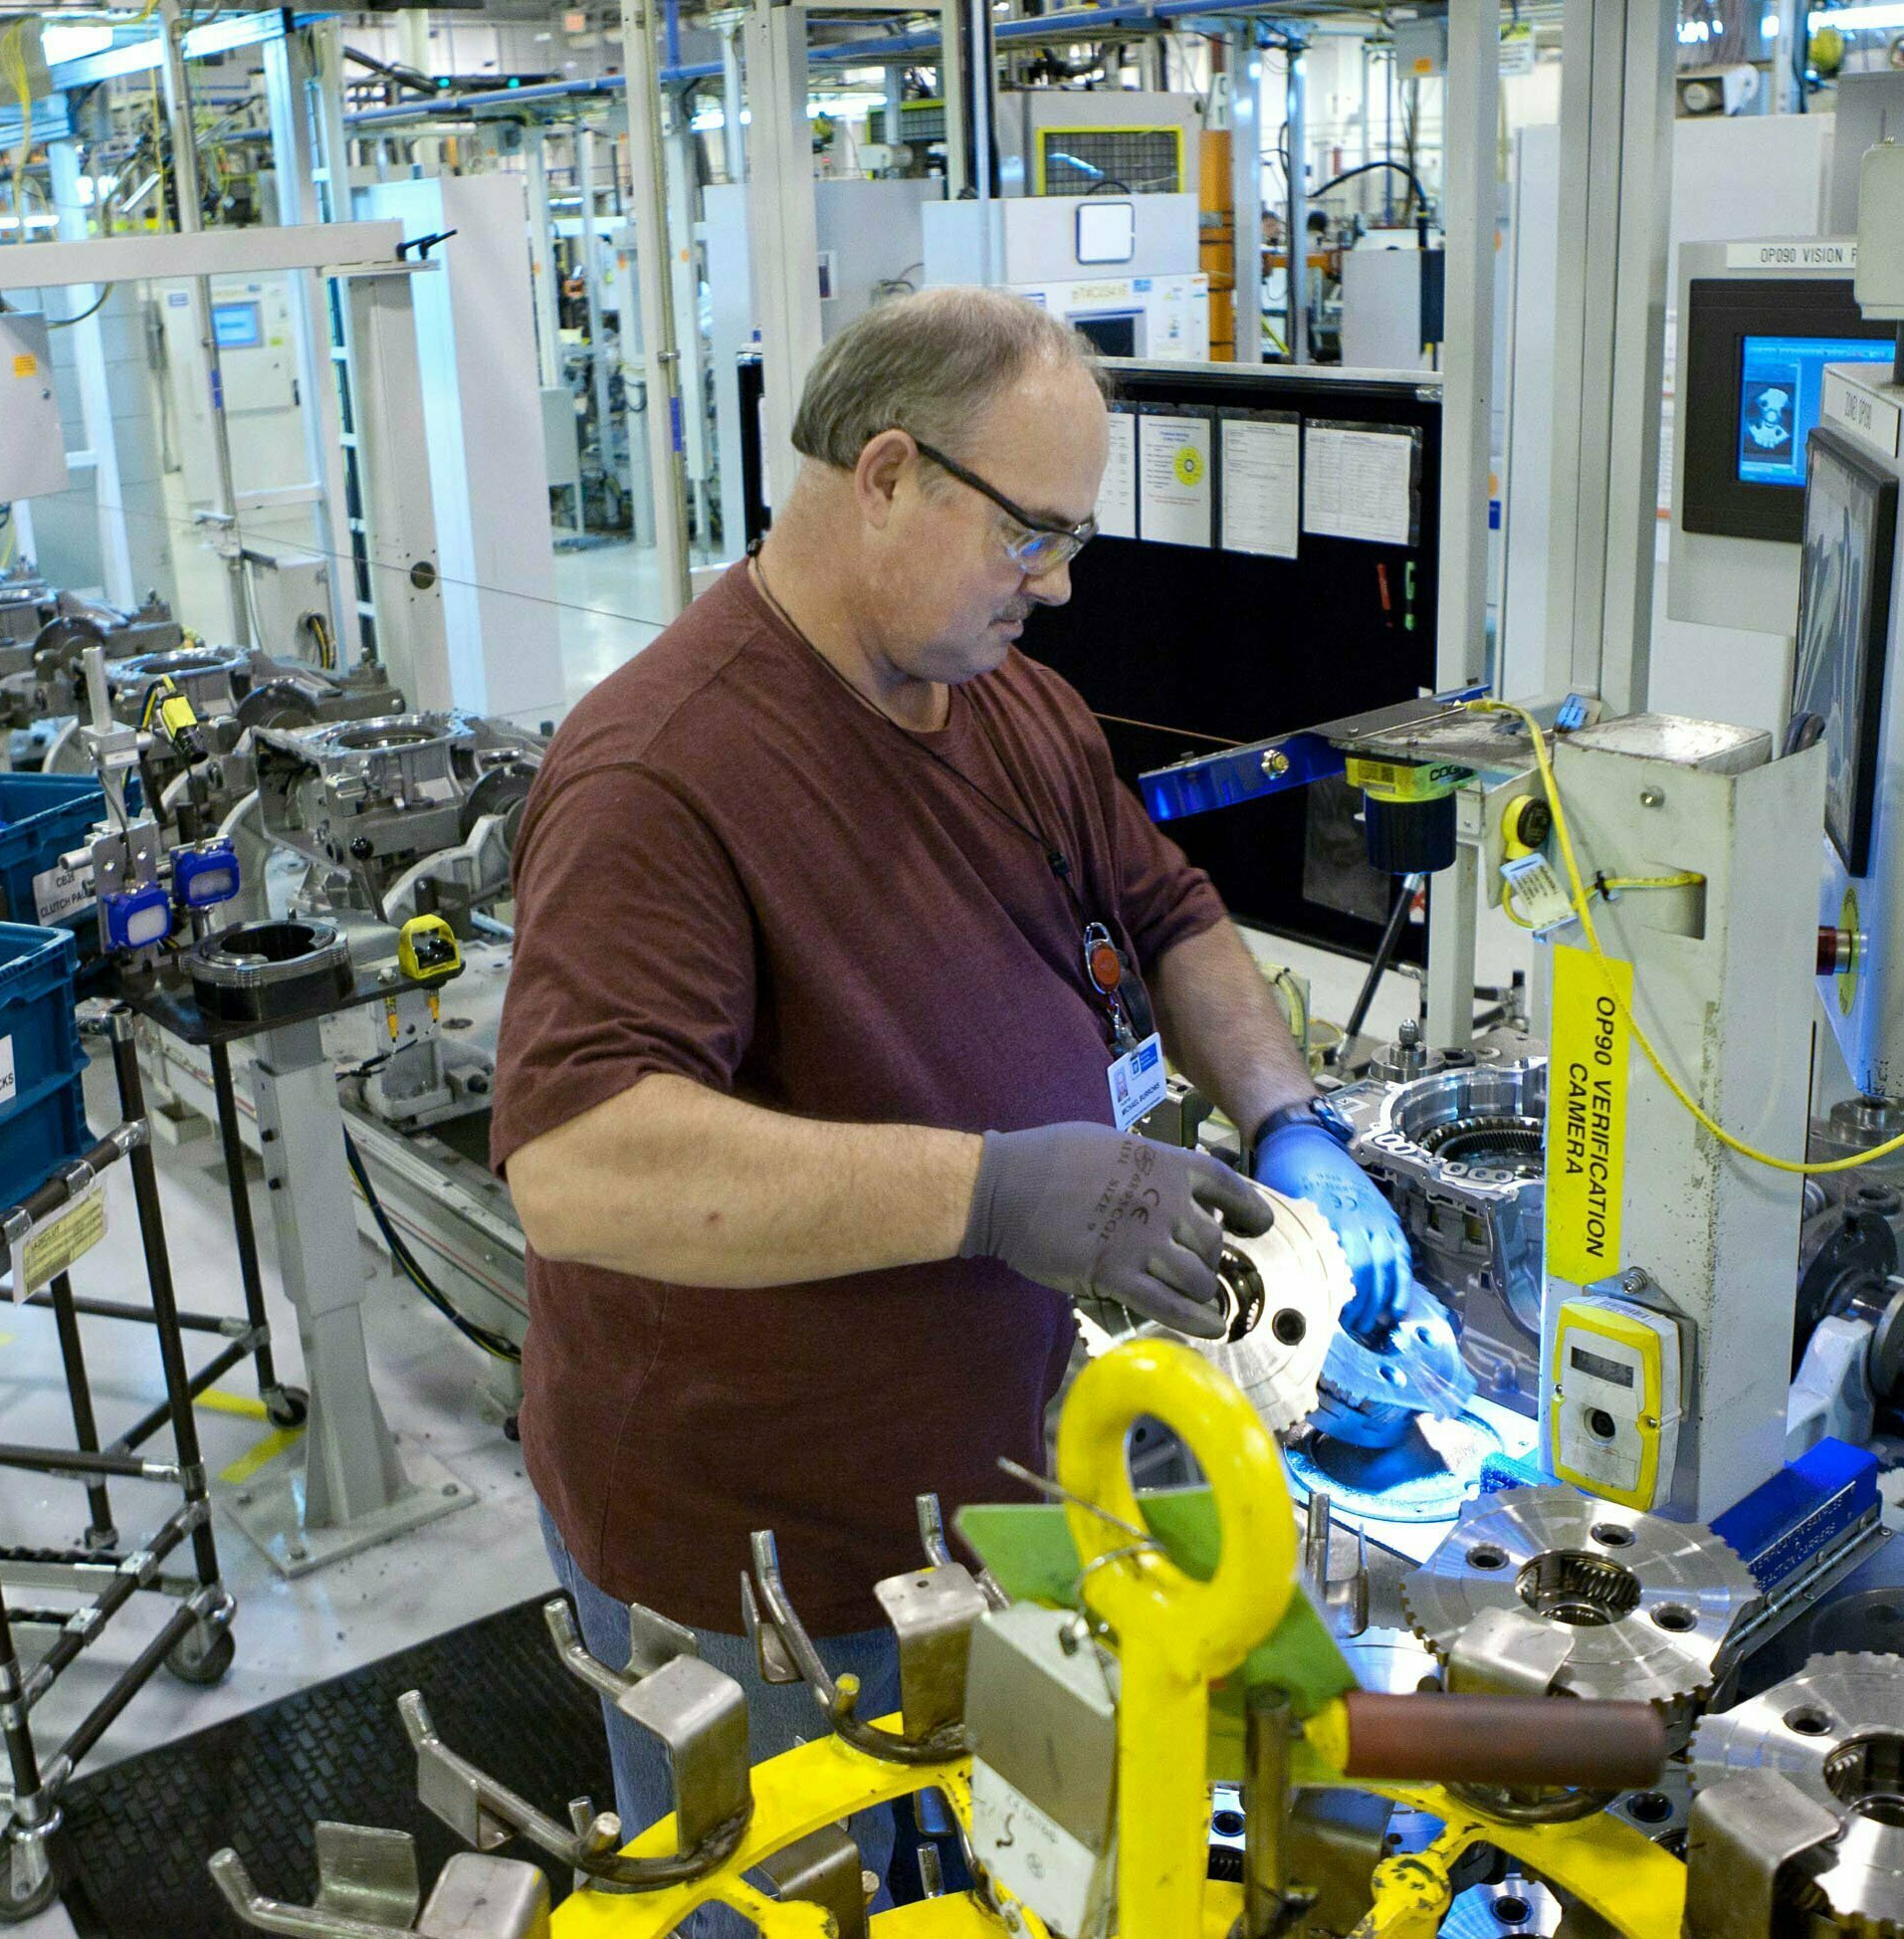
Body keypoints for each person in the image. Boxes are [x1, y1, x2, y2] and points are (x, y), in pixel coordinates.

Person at [489, 287, 1417, 1918]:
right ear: (888, 474)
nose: (1057, 586)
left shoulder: (1008, 703)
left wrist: (1291, 1121)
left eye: (1074, 540)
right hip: (763, 1572)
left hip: (1004, 1504)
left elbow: (1173, 914)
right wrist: (997, 1192)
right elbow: (578, 1163)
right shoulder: (660, 771)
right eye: (1031, 536)